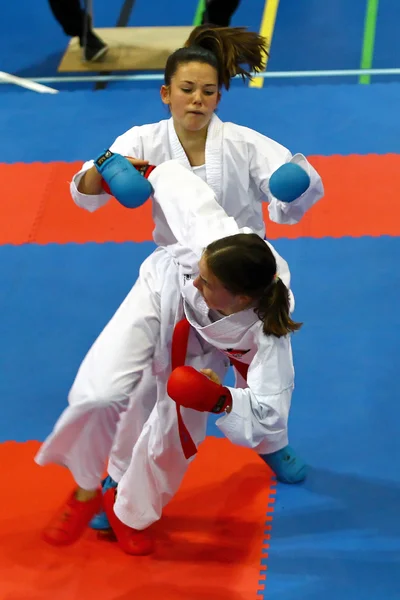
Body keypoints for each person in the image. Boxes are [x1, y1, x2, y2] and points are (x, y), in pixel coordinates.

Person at [36, 24, 323, 541]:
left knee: (228, 387)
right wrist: (102, 172)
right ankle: (102, 484)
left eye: (208, 91)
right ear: (166, 92)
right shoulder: (145, 140)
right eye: (186, 90)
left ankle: (266, 443)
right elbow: (88, 185)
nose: (197, 100)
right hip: (172, 276)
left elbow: (289, 194)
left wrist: (294, 186)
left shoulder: (242, 144)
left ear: (220, 94)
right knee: (119, 392)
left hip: (239, 283)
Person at [37, 161, 304, 555]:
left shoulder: (267, 332)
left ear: (242, 299)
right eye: (200, 271)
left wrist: (222, 399)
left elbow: (270, 407)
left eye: (206, 281)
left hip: (208, 348)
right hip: (162, 294)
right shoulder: (211, 236)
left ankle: (129, 512)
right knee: (101, 394)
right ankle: (87, 487)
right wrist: (121, 166)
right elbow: (175, 182)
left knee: (175, 433)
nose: (197, 281)